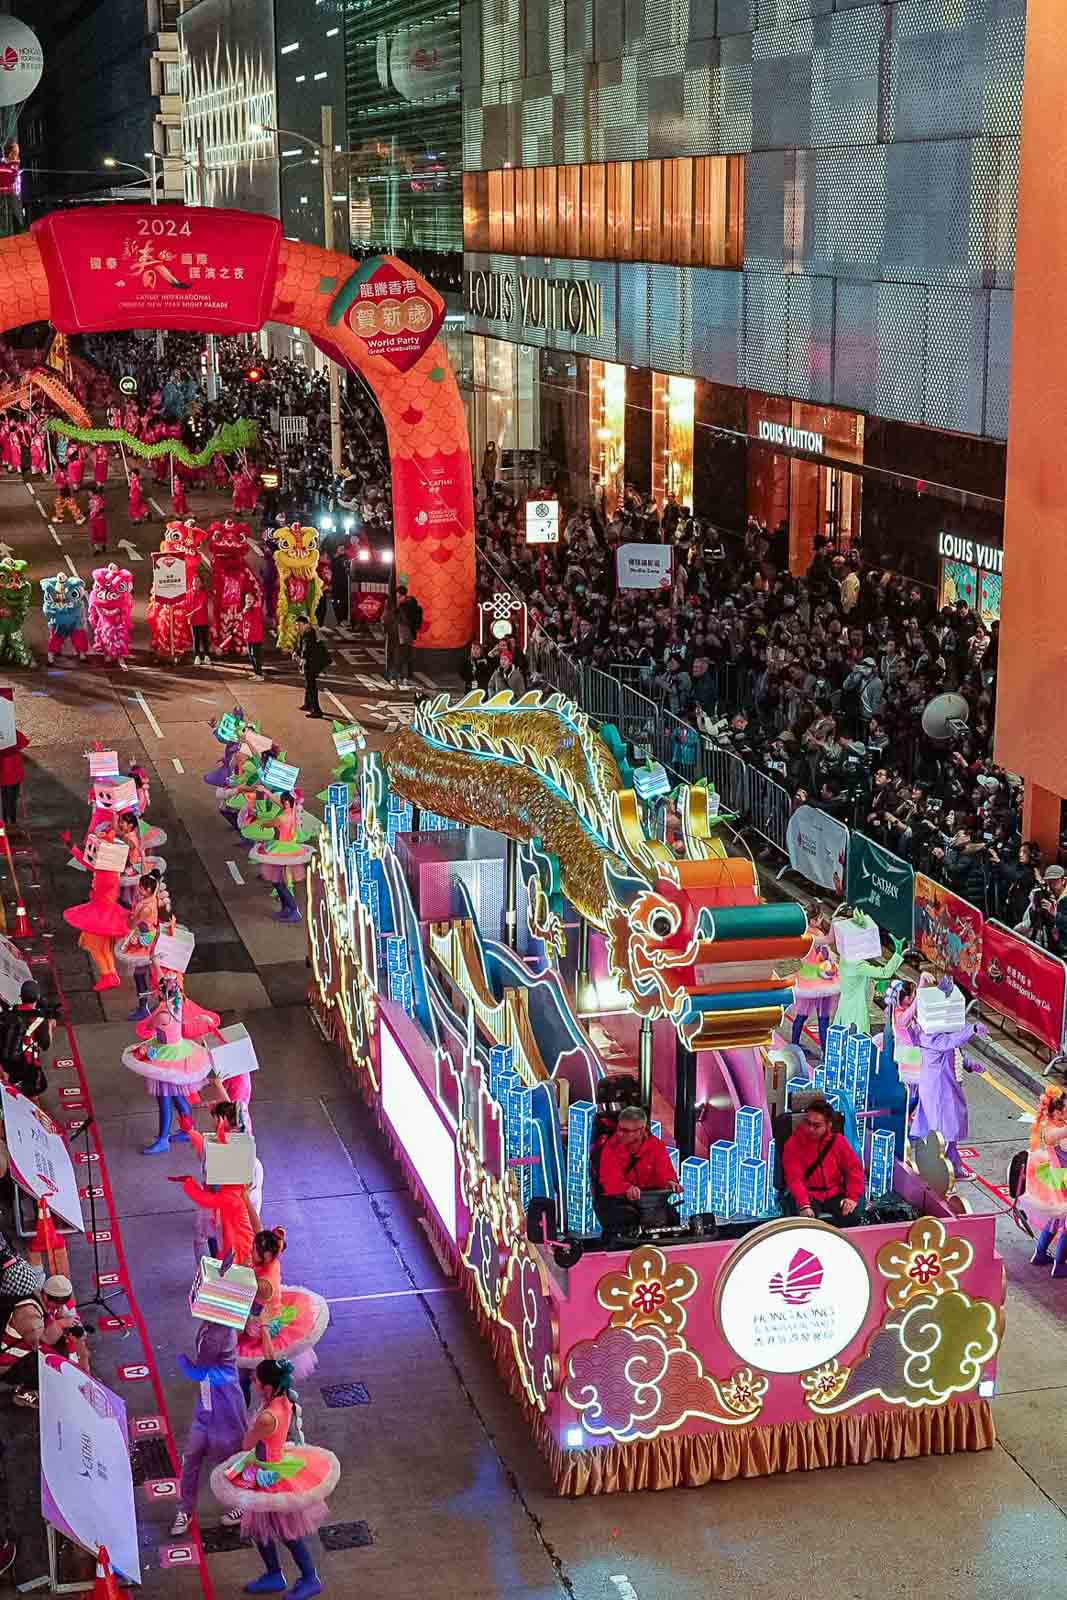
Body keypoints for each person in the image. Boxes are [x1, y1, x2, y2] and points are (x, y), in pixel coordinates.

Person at [210, 1357, 338, 1600]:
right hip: (270, 1467)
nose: (253, 1381)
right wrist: (267, 1331)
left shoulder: (267, 1417)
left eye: (256, 1380)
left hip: (269, 1475)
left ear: (267, 1387)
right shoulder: (284, 1397)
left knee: (287, 1533)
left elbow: (247, 1443)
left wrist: (244, 1423)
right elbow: (271, 1360)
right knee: (260, 1528)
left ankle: (310, 1579)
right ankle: (274, 1574)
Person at [170, 1317, 248, 1538]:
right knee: (192, 1455)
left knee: (233, 1457)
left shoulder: (218, 1332)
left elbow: (200, 1368)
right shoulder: (210, 1325)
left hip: (225, 1407)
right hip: (207, 1403)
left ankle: (245, 1504)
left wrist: (183, 1361)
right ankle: (185, 1510)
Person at [594, 1106, 682, 1238]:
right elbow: (609, 1181)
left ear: (640, 1131)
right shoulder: (610, 1148)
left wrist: (670, 1183)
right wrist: (626, 1188)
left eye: (625, 1131)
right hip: (618, 1201)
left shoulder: (656, 1146)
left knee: (672, 1216)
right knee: (628, 1218)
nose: (619, 1134)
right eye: (619, 1129)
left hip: (649, 1202)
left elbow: (665, 1172)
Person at [781, 1096, 865, 1226]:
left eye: (816, 1125)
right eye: (807, 1123)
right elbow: (794, 1178)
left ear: (828, 1125)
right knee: (806, 1223)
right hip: (808, 1194)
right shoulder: (793, 1144)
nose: (810, 1129)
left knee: (852, 1217)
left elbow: (854, 1169)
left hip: (834, 1192)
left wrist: (852, 1197)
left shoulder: (838, 1142)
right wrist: (804, 1205)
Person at [1025, 1087, 1067, 1277]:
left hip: (1054, 1177)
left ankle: (1040, 1254)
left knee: (1056, 1217)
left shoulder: (1049, 1124)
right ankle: (1060, 1265)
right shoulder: (1056, 1130)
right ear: (1057, 1111)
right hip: (1062, 1179)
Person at [384, 583, 422, 688]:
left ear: (404, 596)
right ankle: (395, 676)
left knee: (403, 657)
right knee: (395, 656)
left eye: (400, 596)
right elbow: (386, 618)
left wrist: (399, 610)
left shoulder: (409, 606)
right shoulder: (392, 604)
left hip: (404, 635)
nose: (398, 598)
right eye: (397, 596)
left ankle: (402, 677)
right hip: (394, 634)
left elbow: (409, 621)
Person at [294, 616, 329, 719]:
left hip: (313, 662)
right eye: (296, 625)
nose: (297, 627)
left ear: (306, 624)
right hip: (311, 661)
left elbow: (306, 647)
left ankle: (316, 710)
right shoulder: (305, 632)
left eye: (299, 625)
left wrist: (302, 659)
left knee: (311, 685)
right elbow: (301, 646)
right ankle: (308, 703)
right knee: (308, 683)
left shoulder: (309, 634)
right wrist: (296, 652)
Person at [0, 721, 28, 829]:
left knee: (4, 798)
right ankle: (12, 822)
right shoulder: (12, 733)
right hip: (13, 774)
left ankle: (5, 822)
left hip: (3, 775)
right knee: (12, 799)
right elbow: (24, 742)